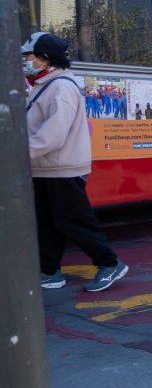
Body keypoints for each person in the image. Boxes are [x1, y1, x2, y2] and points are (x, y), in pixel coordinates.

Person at [22, 31, 129, 292]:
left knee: (73, 221)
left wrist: (18, 155)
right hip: (44, 168)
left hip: (62, 168)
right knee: (47, 222)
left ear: (45, 59)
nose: (25, 60)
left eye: (29, 56)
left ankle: (110, 264)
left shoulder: (61, 87)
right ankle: (49, 272)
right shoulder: (42, 85)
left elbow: (53, 134)